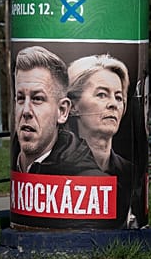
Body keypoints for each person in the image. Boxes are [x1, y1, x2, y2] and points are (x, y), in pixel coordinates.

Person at [10, 46, 103, 176]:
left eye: (37, 99)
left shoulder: (88, 177)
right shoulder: (15, 153)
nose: (26, 111)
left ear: (62, 111)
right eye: (20, 98)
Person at [67, 53, 136, 228]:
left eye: (119, 97)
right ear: (72, 106)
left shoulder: (129, 171)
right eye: (102, 95)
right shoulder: (55, 165)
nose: (113, 104)